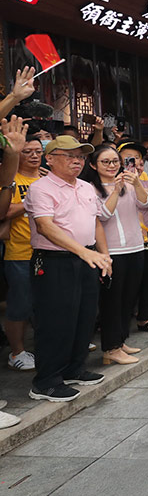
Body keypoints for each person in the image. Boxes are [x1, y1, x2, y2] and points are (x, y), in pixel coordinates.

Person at [25, 133, 113, 401]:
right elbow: (46, 227)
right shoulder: (41, 188)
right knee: (56, 322)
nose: (77, 161)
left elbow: (96, 222)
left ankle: (74, 369)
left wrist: (104, 255)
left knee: (84, 317)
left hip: (87, 258)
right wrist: (85, 253)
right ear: (49, 159)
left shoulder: (86, 187)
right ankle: (46, 381)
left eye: (80, 157)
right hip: (55, 261)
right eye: (70, 156)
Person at [86, 145, 148, 364]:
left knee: (128, 299)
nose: (112, 165)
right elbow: (103, 215)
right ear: (93, 165)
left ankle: (121, 341)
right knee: (111, 301)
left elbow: (146, 203)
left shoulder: (130, 184)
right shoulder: (89, 189)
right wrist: (115, 190)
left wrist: (136, 184)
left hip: (135, 247)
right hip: (111, 251)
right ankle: (110, 349)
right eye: (106, 162)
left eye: (115, 161)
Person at [1, 134, 41, 371]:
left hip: (48, 250)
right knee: (20, 304)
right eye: (27, 151)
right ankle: (16, 352)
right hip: (20, 251)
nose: (34, 155)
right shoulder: (10, 178)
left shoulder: (47, 176)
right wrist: (33, 199)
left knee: (47, 302)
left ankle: (45, 342)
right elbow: (4, 210)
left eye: (38, 151)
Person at [116, 143, 148, 334]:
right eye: (128, 158)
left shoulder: (146, 180)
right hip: (121, 241)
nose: (133, 162)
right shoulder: (109, 182)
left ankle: (144, 317)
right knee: (124, 284)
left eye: (137, 158)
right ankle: (117, 324)